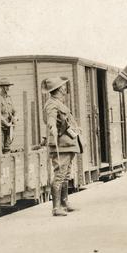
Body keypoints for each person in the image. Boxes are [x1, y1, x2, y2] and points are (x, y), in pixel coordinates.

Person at [43, 77, 82, 217]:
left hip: (68, 144)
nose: (65, 89)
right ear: (59, 89)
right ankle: (56, 208)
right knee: (60, 174)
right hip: (61, 145)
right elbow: (51, 119)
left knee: (65, 175)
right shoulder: (51, 104)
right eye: (63, 87)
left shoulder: (58, 102)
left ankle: (64, 203)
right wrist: (52, 127)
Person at [0, 77, 16, 153]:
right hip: (1, 127)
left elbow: (14, 111)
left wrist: (14, 118)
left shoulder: (9, 98)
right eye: (6, 86)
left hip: (9, 127)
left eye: (8, 86)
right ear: (1, 87)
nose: (8, 88)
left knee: (7, 147)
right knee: (0, 147)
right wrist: (6, 123)